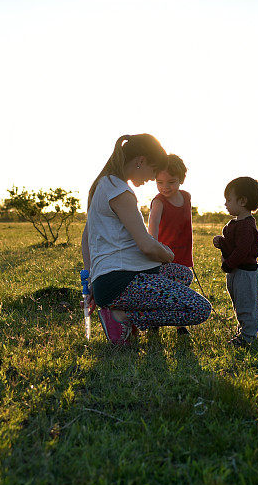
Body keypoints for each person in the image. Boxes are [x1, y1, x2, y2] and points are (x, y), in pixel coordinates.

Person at [81, 134, 211, 345]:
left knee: (183, 274)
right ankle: (122, 317)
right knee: (199, 309)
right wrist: (168, 254)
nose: (152, 178)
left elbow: (86, 239)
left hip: (117, 276)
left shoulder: (104, 184)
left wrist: (91, 279)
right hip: (122, 280)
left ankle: (124, 312)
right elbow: (147, 246)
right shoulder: (120, 192)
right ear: (140, 161)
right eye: (153, 171)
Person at [212, 177, 258, 347]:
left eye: (229, 200)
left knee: (246, 306)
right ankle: (242, 332)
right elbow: (232, 246)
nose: (226, 204)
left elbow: (242, 251)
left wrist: (228, 264)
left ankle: (248, 337)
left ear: (242, 201)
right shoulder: (235, 224)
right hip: (236, 272)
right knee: (239, 304)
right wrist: (221, 243)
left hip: (245, 273)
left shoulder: (247, 226)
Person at [147, 154, 194, 335]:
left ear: (181, 180)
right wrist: (155, 254)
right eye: (160, 182)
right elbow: (152, 232)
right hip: (163, 255)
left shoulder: (186, 197)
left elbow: (186, 225)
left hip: (183, 252)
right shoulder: (159, 202)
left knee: (182, 288)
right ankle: (154, 323)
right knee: (162, 290)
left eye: (171, 182)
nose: (165, 187)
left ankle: (181, 325)